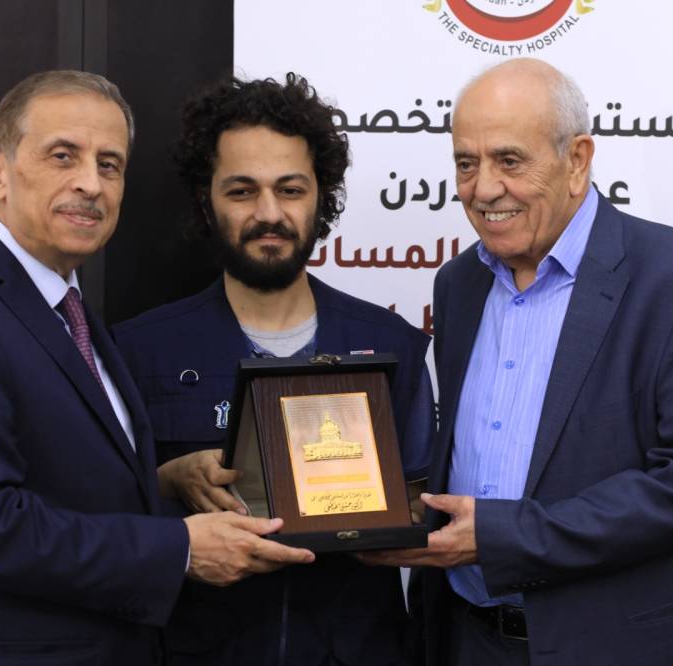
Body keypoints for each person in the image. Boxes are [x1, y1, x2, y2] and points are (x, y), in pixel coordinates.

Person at [0, 70, 315, 666]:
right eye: (62, 156)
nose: (90, 184)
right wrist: (178, 549)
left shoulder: (62, 304)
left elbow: (55, 477)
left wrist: (164, 481)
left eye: (109, 164)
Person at [360, 58, 673, 666]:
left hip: (618, 646)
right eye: (466, 163)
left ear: (577, 160)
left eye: (509, 161)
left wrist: (501, 537)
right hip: (467, 638)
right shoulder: (459, 284)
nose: (483, 189)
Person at [112, 73, 435, 666]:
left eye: (290, 190)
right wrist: (168, 480)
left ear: (321, 197)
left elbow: (422, 507)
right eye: (242, 191)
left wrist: (388, 518)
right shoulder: (138, 350)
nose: (269, 213)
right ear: (206, 201)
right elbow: (103, 524)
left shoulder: (392, 345)